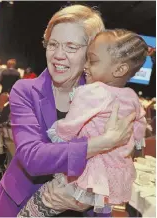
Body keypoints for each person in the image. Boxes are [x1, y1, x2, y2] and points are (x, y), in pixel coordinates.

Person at [0, 5, 135, 217]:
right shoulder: (25, 91)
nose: (58, 55)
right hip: (21, 206)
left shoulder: (106, 97)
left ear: (91, 53)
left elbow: (112, 166)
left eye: (71, 47)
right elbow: (32, 157)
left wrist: (95, 203)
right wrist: (102, 143)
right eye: (53, 44)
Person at [18, 29, 147, 217]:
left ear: (119, 69)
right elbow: (139, 124)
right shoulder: (131, 96)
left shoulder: (92, 91)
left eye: (92, 60)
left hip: (85, 174)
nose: (86, 65)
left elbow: (73, 123)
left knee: (42, 202)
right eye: (53, 44)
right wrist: (132, 142)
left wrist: (59, 134)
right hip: (107, 181)